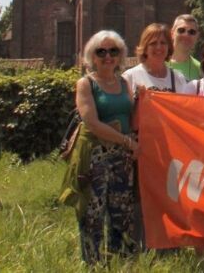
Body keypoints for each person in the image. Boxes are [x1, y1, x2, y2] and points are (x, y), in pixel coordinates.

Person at [59, 30, 140, 263]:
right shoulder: (86, 84)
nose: (107, 56)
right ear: (92, 56)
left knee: (121, 213)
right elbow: (92, 123)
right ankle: (93, 264)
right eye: (101, 51)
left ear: (120, 55)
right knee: (92, 215)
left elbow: (131, 115)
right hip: (95, 157)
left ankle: (118, 263)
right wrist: (127, 141)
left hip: (122, 159)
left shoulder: (124, 83)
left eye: (113, 51)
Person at [123, 23, 191, 95]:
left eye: (163, 43)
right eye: (153, 43)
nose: (158, 47)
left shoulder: (178, 78)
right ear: (145, 48)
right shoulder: (130, 77)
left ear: (169, 47)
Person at [168, 14, 201, 81]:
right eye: (181, 30)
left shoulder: (200, 70)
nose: (186, 35)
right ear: (172, 33)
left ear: (197, 36)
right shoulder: (158, 63)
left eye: (192, 32)